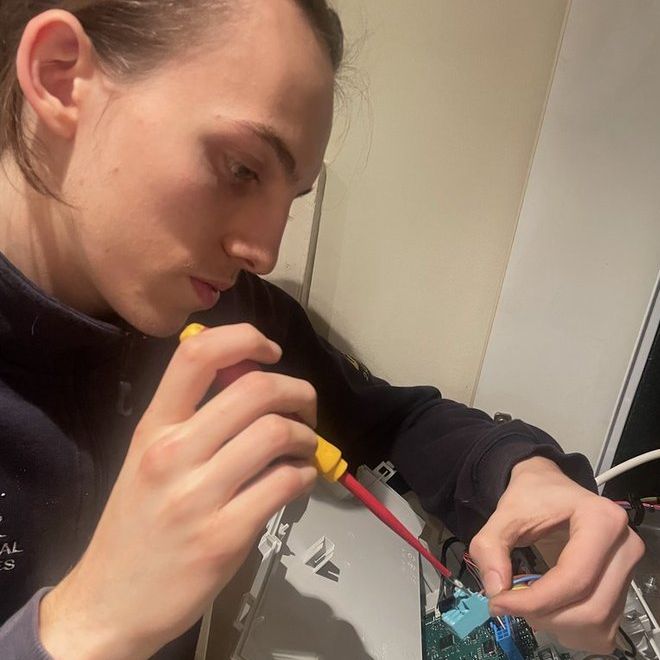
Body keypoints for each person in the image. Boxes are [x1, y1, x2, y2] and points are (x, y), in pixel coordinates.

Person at [0, 1, 644, 658]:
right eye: (242, 168)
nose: (265, 252)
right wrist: (82, 627)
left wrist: (522, 472)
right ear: (60, 77)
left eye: (291, 198)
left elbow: (392, 422)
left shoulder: (226, 312)